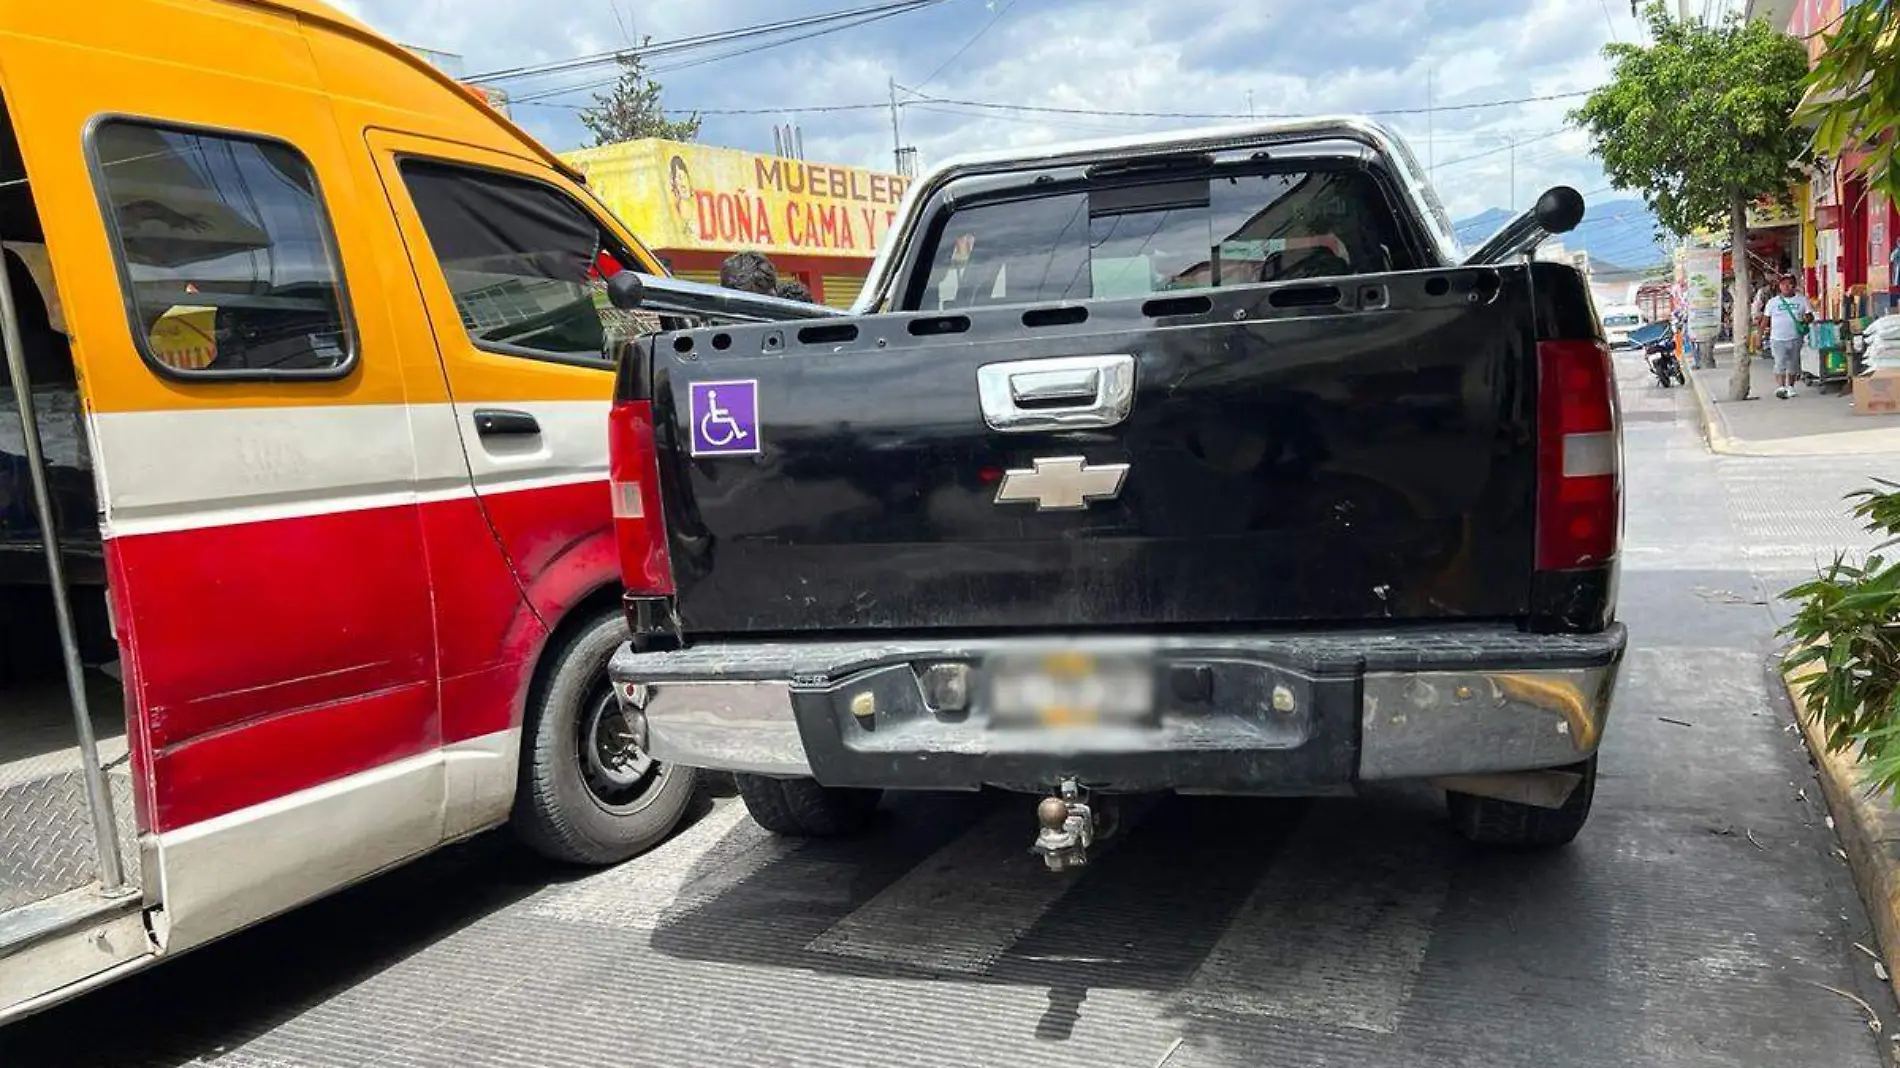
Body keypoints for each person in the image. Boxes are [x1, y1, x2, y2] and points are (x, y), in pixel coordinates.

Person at [1758, 272, 1815, 399]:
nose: (1786, 286)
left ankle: (1791, 387)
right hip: (1777, 338)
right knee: (1779, 363)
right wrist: (1759, 337)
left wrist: (1806, 319)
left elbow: (1810, 315)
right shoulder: (1773, 302)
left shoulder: (1802, 300)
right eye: (1783, 284)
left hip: (1795, 337)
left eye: (1790, 284)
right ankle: (1781, 387)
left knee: (1793, 364)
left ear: (1794, 286)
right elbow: (1765, 321)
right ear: (1779, 286)